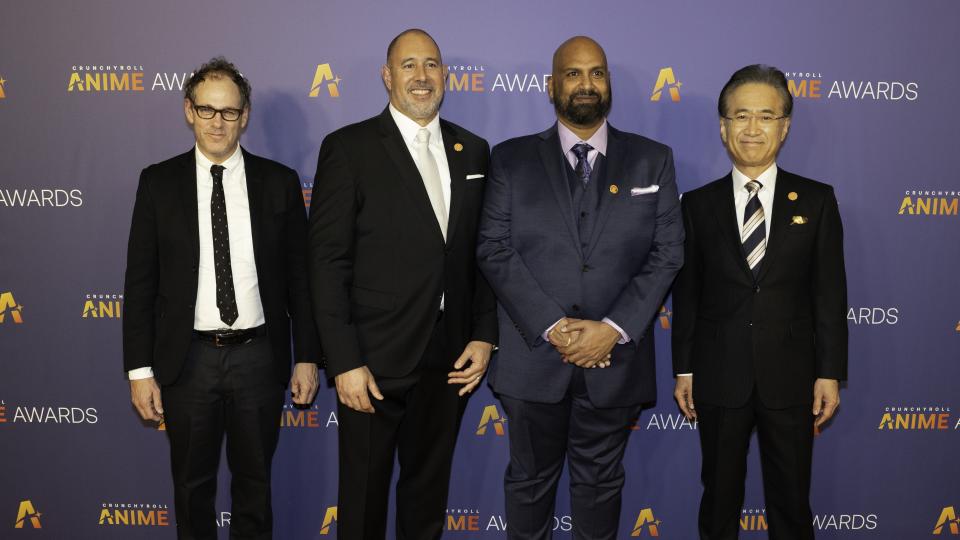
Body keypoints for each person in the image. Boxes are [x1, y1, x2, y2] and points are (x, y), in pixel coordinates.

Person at [476, 36, 684, 540]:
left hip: (615, 363)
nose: (586, 84)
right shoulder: (511, 159)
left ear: (608, 83)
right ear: (551, 85)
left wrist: (612, 330)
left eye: (596, 73)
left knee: (600, 487)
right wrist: (554, 327)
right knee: (528, 485)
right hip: (532, 363)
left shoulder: (652, 160)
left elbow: (667, 252)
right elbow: (493, 248)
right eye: (573, 73)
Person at [308, 29, 498, 539]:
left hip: (450, 359)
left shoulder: (474, 151)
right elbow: (326, 263)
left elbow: (483, 255)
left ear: (445, 76)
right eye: (408, 65)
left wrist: (483, 334)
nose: (421, 76)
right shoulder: (349, 148)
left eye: (431, 64)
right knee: (363, 504)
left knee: (427, 502)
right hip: (372, 362)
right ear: (387, 76)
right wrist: (344, 361)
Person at [123, 57, 319, 539]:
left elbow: (301, 279)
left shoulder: (279, 182)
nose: (217, 122)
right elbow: (140, 284)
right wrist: (139, 370)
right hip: (187, 361)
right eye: (207, 110)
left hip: (259, 357)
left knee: (255, 486)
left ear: (244, 115)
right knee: (192, 488)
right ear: (188, 111)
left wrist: (308, 358)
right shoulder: (158, 182)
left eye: (228, 112)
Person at [671, 64, 847, 540]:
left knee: (791, 503)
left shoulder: (816, 201)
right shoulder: (696, 205)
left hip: (791, 379)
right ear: (723, 126)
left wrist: (829, 372)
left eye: (766, 117)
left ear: (785, 126)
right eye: (740, 115)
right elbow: (686, 295)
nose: (752, 129)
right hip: (718, 374)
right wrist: (683, 368)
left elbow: (829, 294)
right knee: (719, 500)